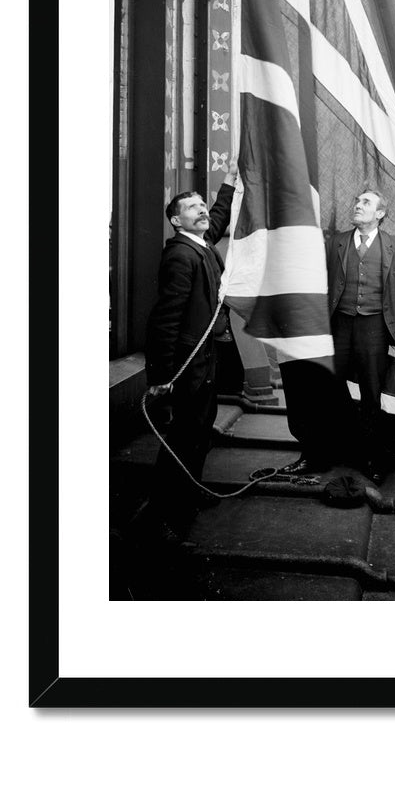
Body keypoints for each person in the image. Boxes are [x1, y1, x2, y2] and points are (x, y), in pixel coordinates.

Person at [287, 186, 395, 483]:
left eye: (365, 202)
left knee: (371, 395)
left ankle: (371, 458)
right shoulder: (336, 243)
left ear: (380, 214)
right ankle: (316, 455)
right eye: (356, 200)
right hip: (338, 325)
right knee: (324, 390)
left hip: (375, 329)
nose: (357, 205)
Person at [141, 160, 237, 538]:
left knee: (200, 430)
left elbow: (216, 218)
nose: (202, 209)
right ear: (177, 222)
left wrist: (227, 184)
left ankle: (190, 492)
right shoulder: (181, 255)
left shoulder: (201, 241)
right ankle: (165, 512)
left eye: (201, 203)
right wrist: (161, 377)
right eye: (192, 207)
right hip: (186, 364)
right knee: (184, 434)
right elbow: (165, 320)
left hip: (205, 359)